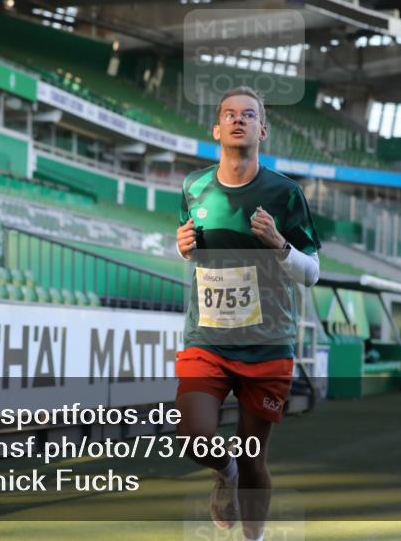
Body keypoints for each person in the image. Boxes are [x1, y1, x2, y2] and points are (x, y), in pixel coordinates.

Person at [174, 86, 322, 541]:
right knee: (192, 434)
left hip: (267, 344)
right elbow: (193, 249)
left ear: (263, 129)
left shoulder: (285, 193)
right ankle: (224, 470)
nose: (239, 120)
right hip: (208, 340)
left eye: (249, 114)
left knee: (256, 457)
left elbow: (312, 272)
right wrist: (181, 249)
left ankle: (252, 537)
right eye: (229, 114)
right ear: (217, 128)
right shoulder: (193, 186)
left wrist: (280, 245)